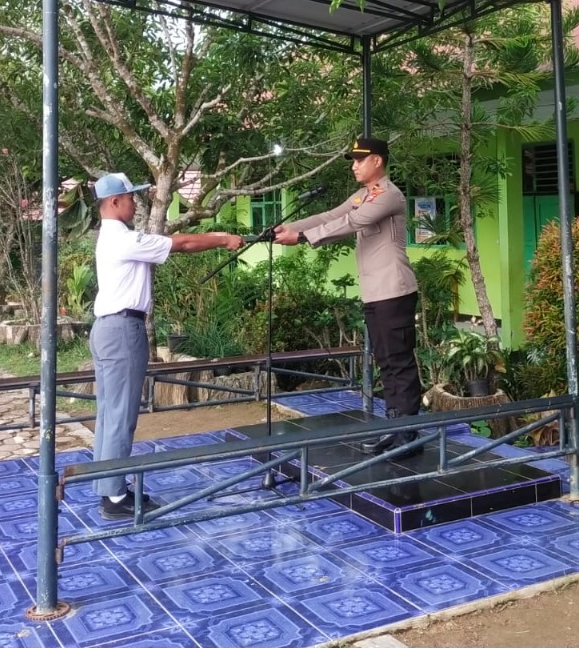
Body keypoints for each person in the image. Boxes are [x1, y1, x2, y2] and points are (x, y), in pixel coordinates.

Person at [89, 172, 244, 520]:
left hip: (107, 329)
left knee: (108, 412)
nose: (134, 203)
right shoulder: (122, 238)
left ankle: (108, 487)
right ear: (114, 202)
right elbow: (183, 244)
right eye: (130, 197)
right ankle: (114, 498)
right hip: (122, 330)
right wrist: (223, 239)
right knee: (120, 415)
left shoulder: (113, 237)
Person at [274, 136, 422, 458]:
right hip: (376, 293)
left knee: (398, 362)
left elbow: (351, 222)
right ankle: (395, 428)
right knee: (386, 361)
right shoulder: (363, 195)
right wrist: (286, 227)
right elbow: (330, 215)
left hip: (394, 290)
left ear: (377, 161)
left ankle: (407, 433)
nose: (354, 166)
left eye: (359, 160)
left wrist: (300, 237)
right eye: (353, 160)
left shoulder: (388, 195)